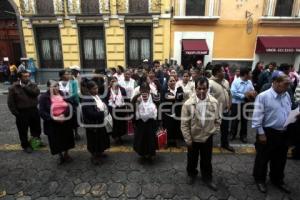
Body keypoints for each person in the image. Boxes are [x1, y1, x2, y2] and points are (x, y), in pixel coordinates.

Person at [252, 71, 292, 194]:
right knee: (263, 159)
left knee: (280, 159)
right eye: (285, 84)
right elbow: (257, 116)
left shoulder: (287, 95)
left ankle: (277, 179)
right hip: (267, 133)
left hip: (283, 132)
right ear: (275, 82)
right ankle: (259, 179)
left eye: (288, 84)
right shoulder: (263, 96)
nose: (288, 86)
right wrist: (261, 133)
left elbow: (288, 110)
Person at [181, 77, 221, 190]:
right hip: (193, 138)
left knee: (207, 160)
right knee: (192, 159)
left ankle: (207, 177)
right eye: (199, 88)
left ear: (208, 88)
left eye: (204, 88)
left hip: (207, 137)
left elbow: (218, 119)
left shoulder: (214, 102)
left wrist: (214, 131)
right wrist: (188, 139)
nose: (202, 91)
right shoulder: (188, 104)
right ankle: (191, 174)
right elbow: (184, 124)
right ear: (195, 88)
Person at [39, 80, 75, 165]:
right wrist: (54, 118)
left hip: (65, 121)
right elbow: (42, 111)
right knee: (56, 141)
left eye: (57, 86)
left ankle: (66, 154)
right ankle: (60, 155)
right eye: (53, 86)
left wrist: (64, 115)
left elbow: (70, 105)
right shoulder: (44, 97)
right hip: (53, 123)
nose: (56, 88)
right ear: (48, 87)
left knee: (67, 138)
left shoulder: (63, 94)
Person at [7, 70, 43, 153]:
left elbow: (36, 93)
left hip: (34, 110)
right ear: (19, 77)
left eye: (28, 76)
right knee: (23, 130)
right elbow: (10, 103)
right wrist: (16, 113)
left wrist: (25, 87)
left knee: (36, 128)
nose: (27, 78)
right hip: (22, 112)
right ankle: (25, 145)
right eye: (25, 76)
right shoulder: (13, 87)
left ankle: (35, 143)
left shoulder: (33, 84)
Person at [81, 81, 110, 165]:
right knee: (93, 141)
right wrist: (102, 113)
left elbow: (102, 106)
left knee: (100, 139)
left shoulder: (96, 96)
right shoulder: (87, 99)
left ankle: (100, 152)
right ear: (89, 89)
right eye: (94, 88)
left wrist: (104, 110)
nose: (96, 90)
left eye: (97, 88)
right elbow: (90, 113)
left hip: (100, 122)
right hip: (92, 124)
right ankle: (94, 157)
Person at [209, 64, 234, 152]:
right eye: (222, 71)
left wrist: (229, 105)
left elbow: (229, 94)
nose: (224, 72)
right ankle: (208, 145)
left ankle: (225, 144)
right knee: (212, 129)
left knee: (225, 129)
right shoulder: (210, 83)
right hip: (214, 112)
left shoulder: (226, 82)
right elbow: (208, 99)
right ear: (217, 72)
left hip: (225, 110)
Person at [132, 82, 158, 160]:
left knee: (151, 138)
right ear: (140, 90)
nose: (145, 92)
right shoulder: (136, 97)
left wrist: (159, 121)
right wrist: (137, 103)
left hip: (151, 122)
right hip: (140, 122)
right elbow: (132, 108)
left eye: (146, 90)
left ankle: (151, 153)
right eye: (143, 90)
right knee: (141, 138)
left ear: (149, 90)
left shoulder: (154, 97)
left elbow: (159, 107)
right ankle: (142, 153)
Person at [230, 67, 256, 143]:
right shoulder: (236, 82)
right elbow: (233, 93)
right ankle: (232, 134)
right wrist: (244, 96)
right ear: (245, 74)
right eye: (250, 73)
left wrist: (252, 93)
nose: (251, 75)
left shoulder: (249, 82)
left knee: (245, 121)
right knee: (235, 120)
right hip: (236, 104)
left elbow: (252, 90)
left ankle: (243, 136)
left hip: (246, 104)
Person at [162, 76, 184, 147]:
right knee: (168, 127)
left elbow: (180, 97)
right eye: (170, 81)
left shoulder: (179, 88)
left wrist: (173, 98)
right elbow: (166, 98)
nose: (172, 82)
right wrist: (175, 97)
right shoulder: (164, 90)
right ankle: (167, 142)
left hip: (177, 111)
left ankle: (175, 142)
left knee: (176, 127)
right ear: (168, 82)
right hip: (167, 112)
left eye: (173, 81)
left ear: (176, 81)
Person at [105, 76, 127, 144]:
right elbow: (105, 100)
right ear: (110, 83)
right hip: (112, 109)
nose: (114, 83)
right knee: (114, 124)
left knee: (121, 123)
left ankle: (120, 136)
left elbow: (126, 99)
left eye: (115, 81)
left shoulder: (122, 89)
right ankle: (116, 137)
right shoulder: (108, 90)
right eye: (112, 81)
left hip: (121, 109)